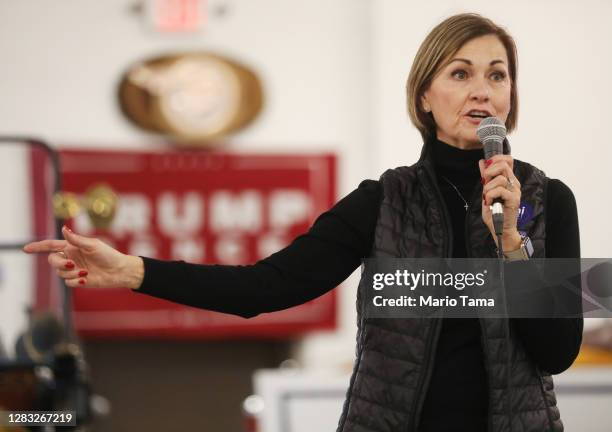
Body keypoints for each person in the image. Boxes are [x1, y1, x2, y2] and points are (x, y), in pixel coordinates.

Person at [24, 13, 582, 432]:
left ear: (512, 96)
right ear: (425, 97)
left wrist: (513, 247)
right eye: (460, 73)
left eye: (498, 75)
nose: (483, 89)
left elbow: (558, 353)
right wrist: (133, 271)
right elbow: (264, 288)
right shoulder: (382, 201)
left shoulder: (549, 202)